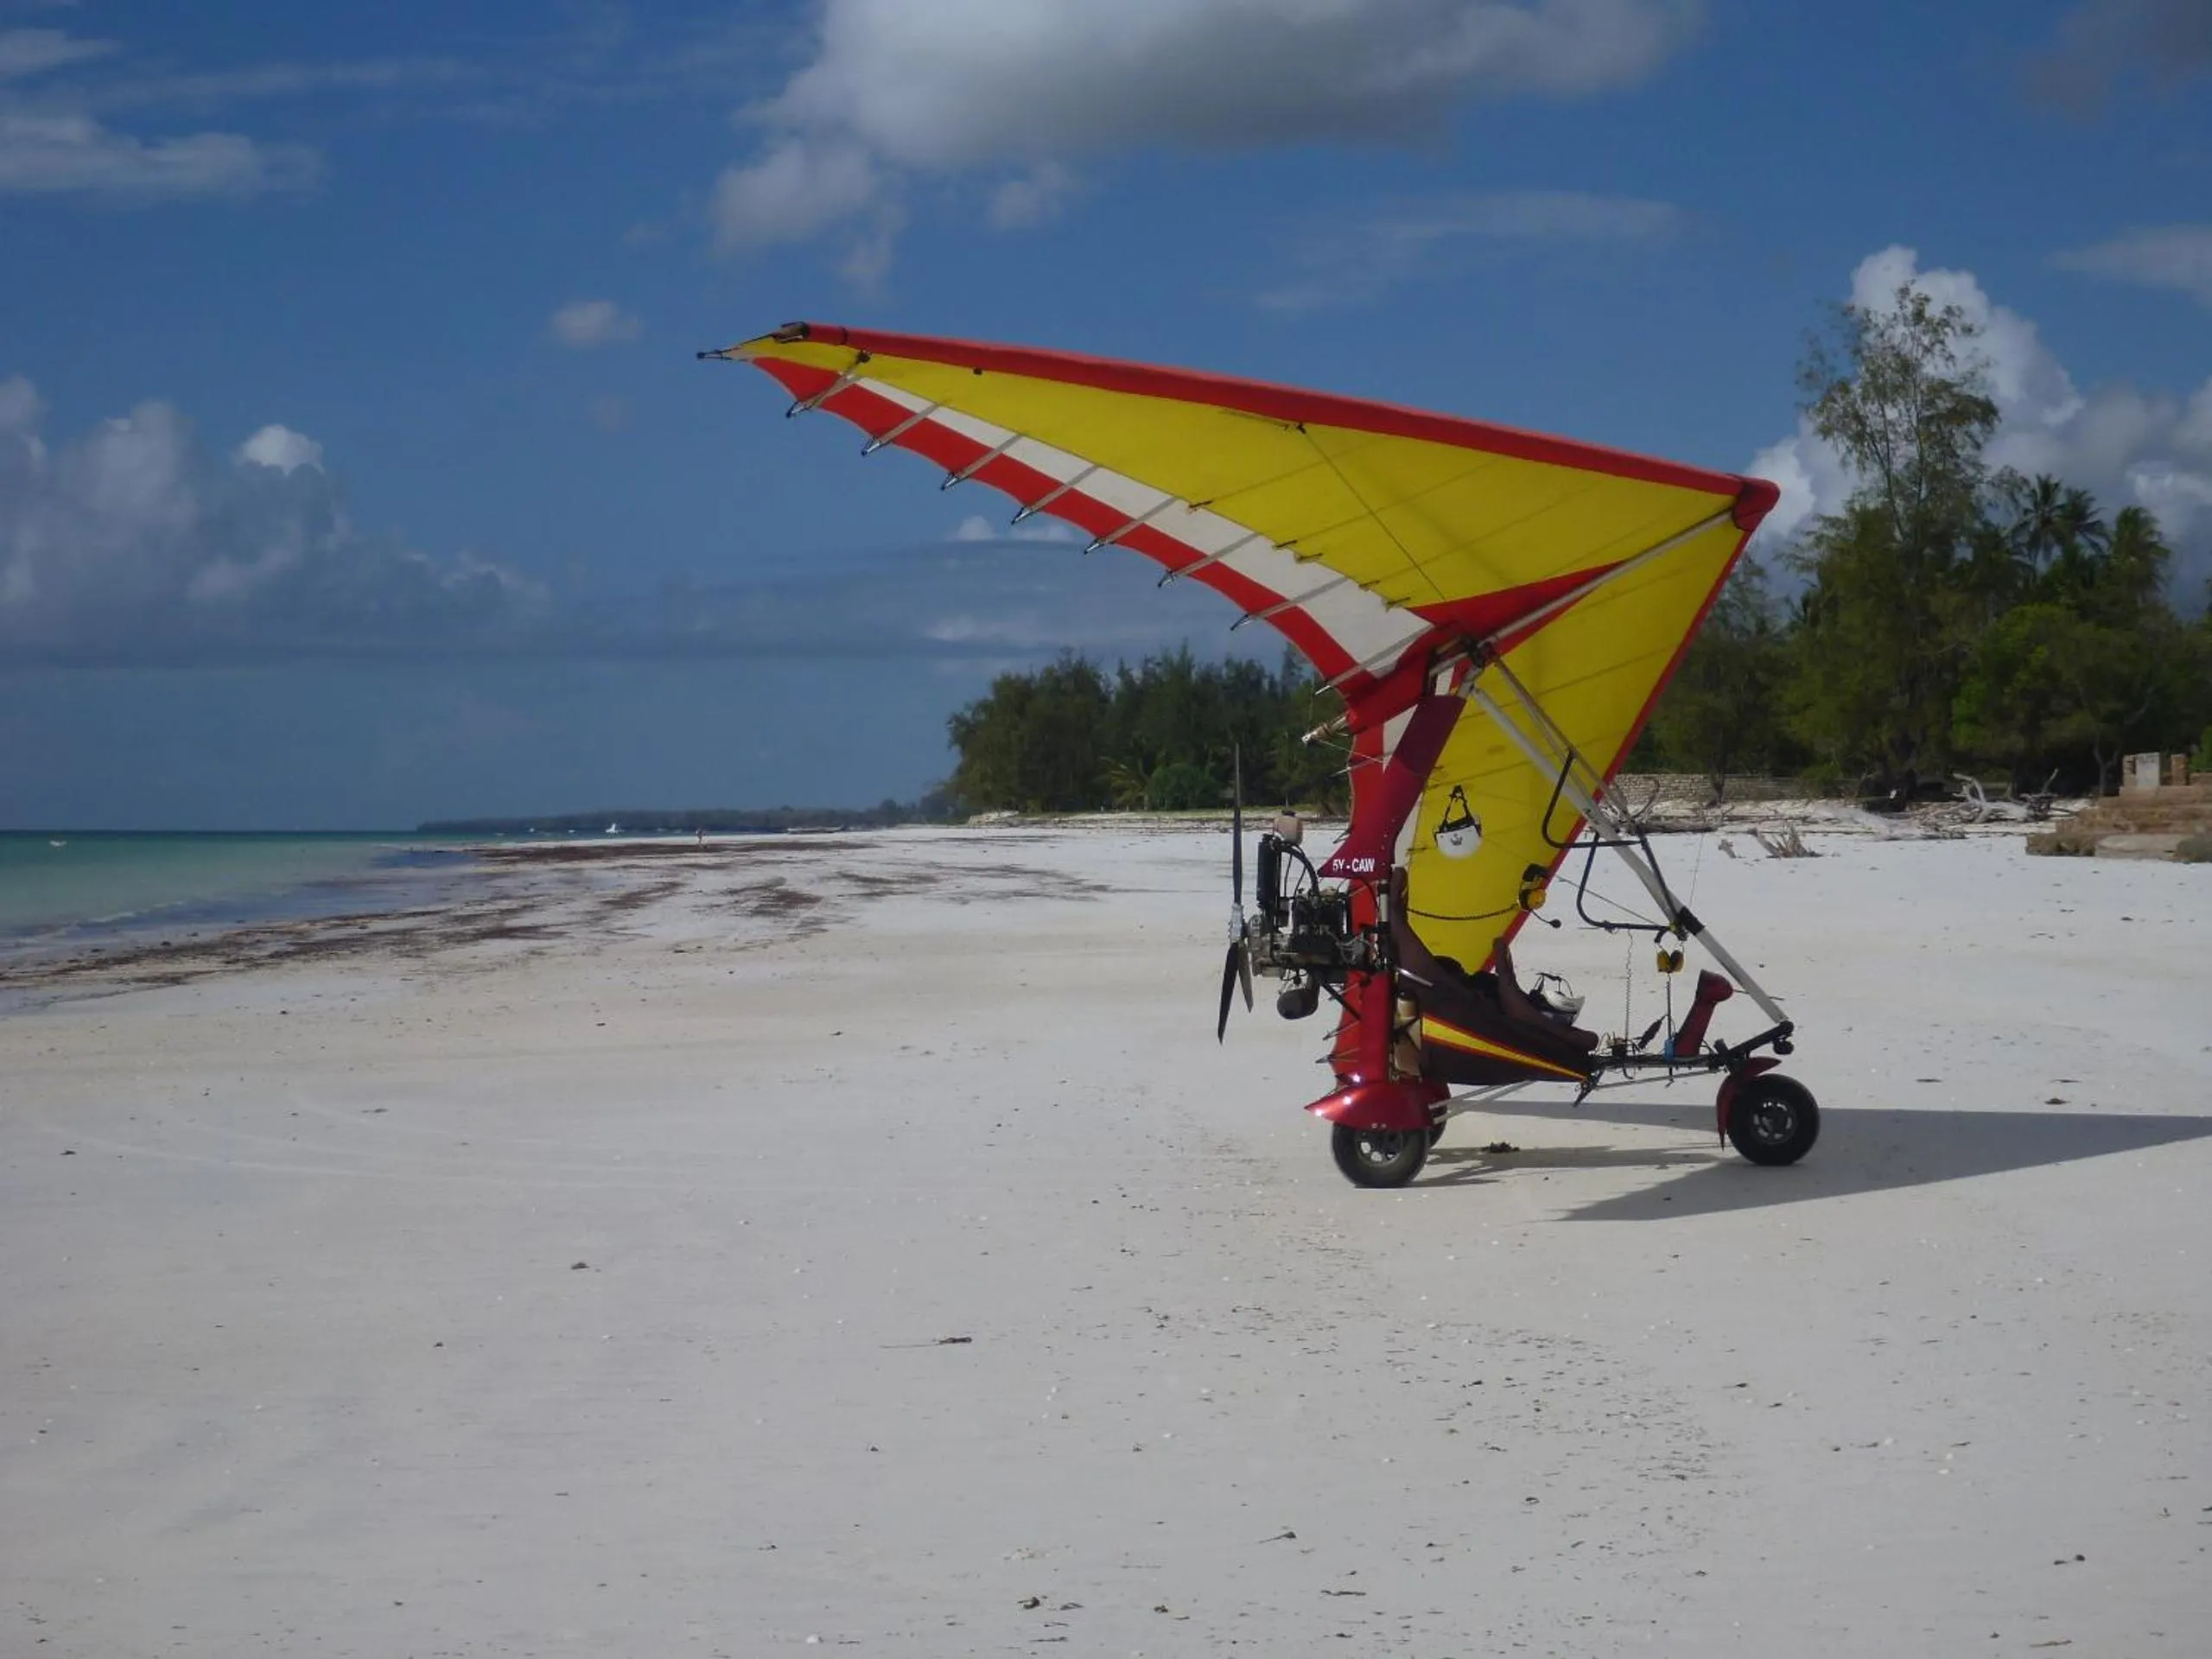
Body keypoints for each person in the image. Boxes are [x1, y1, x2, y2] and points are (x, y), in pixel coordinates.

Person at [1389, 867, 1599, 1054]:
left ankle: (1396, 922)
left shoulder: (1528, 1018)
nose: (1537, 994)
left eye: (1542, 999)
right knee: (1451, 970)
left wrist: (1506, 973)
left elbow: (1587, 1039)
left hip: (1460, 1013)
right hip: (1468, 1008)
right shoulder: (1528, 1016)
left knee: (1443, 985)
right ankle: (1396, 927)